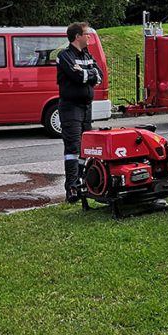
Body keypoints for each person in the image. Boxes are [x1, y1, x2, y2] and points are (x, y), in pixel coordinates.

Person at [57, 21, 102, 202]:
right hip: (71, 108)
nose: (89, 37)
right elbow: (76, 76)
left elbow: (99, 76)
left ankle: (84, 183)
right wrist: (87, 74)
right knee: (73, 148)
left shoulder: (87, 55)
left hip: (86, 107)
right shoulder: (64, 55)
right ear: (77, 36)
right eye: (86, 34)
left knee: (86, 148)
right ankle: (72, 188)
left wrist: (86, 73)